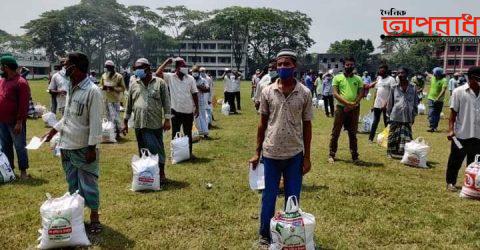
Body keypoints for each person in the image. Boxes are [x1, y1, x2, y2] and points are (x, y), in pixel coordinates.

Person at [249, 49, 312, 245]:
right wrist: (257, 152)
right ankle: (265, 235)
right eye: (279, 64)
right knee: (269, 196)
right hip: (271, 153)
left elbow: (307, 125)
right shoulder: (268, 91)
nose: (282, 67)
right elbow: (262, 123)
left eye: (287, 64)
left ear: (295, 66)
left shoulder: (305, 92)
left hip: (294, 154)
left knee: (293, 198)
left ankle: (288, 236)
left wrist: (307, 157)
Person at [44, 52, 103, 233]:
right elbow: (68, 115)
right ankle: (77, 219)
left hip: (83, 147)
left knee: (88, 184)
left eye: (67, 64)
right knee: (72, 185)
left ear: (75, 67)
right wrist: (54, 129)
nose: (64, 67)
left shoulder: (92, 91)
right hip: (66, 145)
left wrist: (92, 148)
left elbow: (95, 124)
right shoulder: (71, 86)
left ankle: (94, 217)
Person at [123, 58, 171, 182]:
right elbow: (128, 105)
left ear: (147, 68)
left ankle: (161, 173)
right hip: (139, 123)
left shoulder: (160, 83)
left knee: (156, 149)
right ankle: (147, 173)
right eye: (135, 68)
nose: (137, 71)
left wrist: (167, 120)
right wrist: (125, 122)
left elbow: (166, 102)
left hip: (154, 123)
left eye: (139, 68)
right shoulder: (134, 84)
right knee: (143, 149)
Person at [445, 66, 480, 192]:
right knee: (455, 160)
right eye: (478, 79)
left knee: (475, 163)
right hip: (461, 134)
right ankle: (450, 182)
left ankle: (472, 184)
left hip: (478, 135)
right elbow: (453, 114)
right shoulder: (459, 92)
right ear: (470, 78)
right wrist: (450, 130)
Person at [156, 57, 199, 158]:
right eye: (182, 66)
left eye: (185, 66)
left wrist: (197, 108)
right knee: (175, 132)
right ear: (177, 68)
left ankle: (188, 153)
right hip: (175, 110)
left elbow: (194, 93)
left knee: (188, 133)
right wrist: (166, 62)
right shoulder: (170, 77)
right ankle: (175, 153)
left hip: (188, 110)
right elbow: (158, 74)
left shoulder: (190, 78)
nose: (185, 68)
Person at [328, 57, 364, 164]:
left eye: (351, 65)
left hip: (354, 109)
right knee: (335, 133)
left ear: (354, 66)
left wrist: (354, 104)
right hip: (341, 108)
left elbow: (361, 93)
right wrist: (347, 104)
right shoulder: (337, 78)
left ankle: (355, 157)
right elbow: (335, 93)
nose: (349, 67)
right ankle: (331, 154)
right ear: (344, 66)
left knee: (353, 133)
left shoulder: (358, 79)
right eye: (347, 65)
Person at [0, 55, 31, 179]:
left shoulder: (21, 82)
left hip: (15, 122)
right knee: (5, 145)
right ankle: (10, 170)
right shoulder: (3, 81)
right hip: (2, 121)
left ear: (6, 67)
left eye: (1, 66)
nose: (0, 68)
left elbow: (23, 105)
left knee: (19, 146)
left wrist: (19, 122)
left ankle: (23, 172)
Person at [386, 67, 419, 158]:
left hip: (408, 115)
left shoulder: (413, 87)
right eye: (399, 73)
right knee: (393, 135)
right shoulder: (394, 88)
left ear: (407, 74)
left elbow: (415, 102)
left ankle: (404, 153)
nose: (400, 75)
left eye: (402, 73)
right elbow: (390, 102)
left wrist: (414, 115)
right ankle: (390, 152)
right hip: (395, 115)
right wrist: (388, 115)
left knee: (406, 136)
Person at [368, 64, 396, 142]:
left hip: (387, 105)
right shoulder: (379, 78)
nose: (380, 71)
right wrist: (373, 104)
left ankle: (388, 139)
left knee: (386, 122)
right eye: (379, 69)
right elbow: (376, 91)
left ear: (386, 71)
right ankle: (371, 138)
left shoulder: (391, 80)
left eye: (382, 70)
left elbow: (392, 93)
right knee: (375, 122)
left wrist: (386, 104)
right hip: (377, 104)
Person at [99, 60, 126, 139]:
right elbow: (100, 85)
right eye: (105, 67)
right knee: (108, 117)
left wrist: (114, 88)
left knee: (115, 117)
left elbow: (123, 88)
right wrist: (103, 87)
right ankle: (110, 133)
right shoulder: (103, 76)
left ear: (111, 68)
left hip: (115, 100)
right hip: (106, 99)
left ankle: (118, 133)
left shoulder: (119, 76)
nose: (106, 69)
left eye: (107, 67)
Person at [427, 67, 447, 132]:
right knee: (431, 112)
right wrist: (426, 73)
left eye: (434, 73)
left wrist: (438, 98)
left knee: (437, 114)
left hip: (439, 100)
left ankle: (434, 127)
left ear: (438, 74)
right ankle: (432, 126)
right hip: (431, 98)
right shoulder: (433, 77)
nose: (433, 74)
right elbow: (430, 75)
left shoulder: (444, 80)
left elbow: (443, 90)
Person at [192, 65, 210, 138]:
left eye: (196, 72)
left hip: (201, 101)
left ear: (198, 73)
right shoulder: (190, 79)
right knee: (194, 118)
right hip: (192, 102)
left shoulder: (203, 80)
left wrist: (198, 86)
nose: (195, 73)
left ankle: (205, 133)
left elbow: (207, 89)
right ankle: (196, 133)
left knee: (202, 117)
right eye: (194, 72)